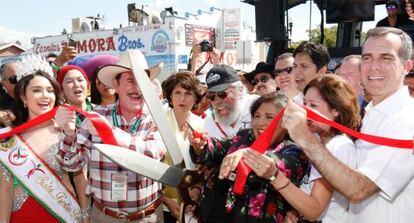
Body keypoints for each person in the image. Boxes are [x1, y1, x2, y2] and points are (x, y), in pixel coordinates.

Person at [282, 27, 414, 223]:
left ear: (406, 66)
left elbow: (358, 189)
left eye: (386, 58)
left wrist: (306, 139)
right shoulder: (373, 112)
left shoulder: (406, 118)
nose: (373, 66)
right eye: (367, 58)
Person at [55, 50, 166, 223]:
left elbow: (153, 154)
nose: (137, 88)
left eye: (142, 81)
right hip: (104, 217)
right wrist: (69, 134)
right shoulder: (96, 117)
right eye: (130, 80)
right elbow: (71, 164)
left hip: (148, 217)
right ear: (116, 83)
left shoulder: (158, 117)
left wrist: (110, 133)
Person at [190, 92, 309, 223]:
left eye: (269, 117)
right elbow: (219, 147)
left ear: (286, 123)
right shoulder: (245, 135)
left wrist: (245, 153)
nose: (260, 122)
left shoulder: (294, 150)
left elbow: (277, 163)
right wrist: (202, 144)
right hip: (215, 212)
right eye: (256, 116)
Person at [0, 55, 83, 223]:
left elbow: (80, 179)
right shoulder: (9, 137)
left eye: (50, 90)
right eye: (36, 90)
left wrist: (85, 216)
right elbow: (5, 188)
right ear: (23, 96)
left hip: (63, 214)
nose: (45, 96)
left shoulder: (67, 131)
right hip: (22, 217)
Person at [270, 75, 360, 223]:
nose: (305, 110)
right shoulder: (319, 141)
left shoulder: (338, 146)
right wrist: (296, 211)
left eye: (313, 105)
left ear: (336, 110)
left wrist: (273, 176)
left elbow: (314, 210)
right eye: (304, 103)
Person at [161, 71, 204, 222]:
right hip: (164, 204)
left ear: (196, 97)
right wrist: (165, 200)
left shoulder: (203, 124)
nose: (182, 98)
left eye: (188, 93)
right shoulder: (158, 123)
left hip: (194, 205)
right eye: (177, 92)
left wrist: (197, 194)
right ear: (170, 97)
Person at [203, 64, 258, 138]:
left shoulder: (259, 106)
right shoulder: (209, 123)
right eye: (211, 96)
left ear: (240, 90)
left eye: (222, 93)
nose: (217, 101)